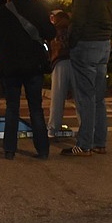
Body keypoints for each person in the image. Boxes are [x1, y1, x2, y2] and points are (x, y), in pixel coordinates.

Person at [0, 0, 55, 159]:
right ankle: (42, 149)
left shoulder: (3, 10)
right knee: (36, 108)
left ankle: (10, 149)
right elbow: (50, 33)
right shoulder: (39, 8)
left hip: (10, 66)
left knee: (12, 107)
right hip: (34, 65)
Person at [61, 0, 112, 156]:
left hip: (86, 44)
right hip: (104, 43)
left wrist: (71, 41)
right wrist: (107, 34)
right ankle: (99, 142)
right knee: (99, 97)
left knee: (85, 96)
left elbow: (78, 18)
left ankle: (84, 144)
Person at [47, 9, 75, 138]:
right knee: (80, 99)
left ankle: (53, 128)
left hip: (59, 62)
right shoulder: (72, 27)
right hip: (75, 62)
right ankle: (85, 129)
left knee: (57, 98)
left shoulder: (53, 30)